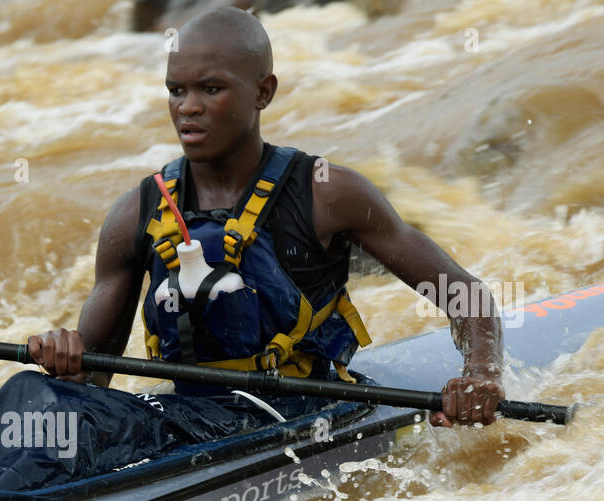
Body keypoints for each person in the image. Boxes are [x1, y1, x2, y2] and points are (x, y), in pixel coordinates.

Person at [28, 6, 504, 431]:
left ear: (263, 92)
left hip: (309, 416)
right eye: (176, 90)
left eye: (210, 89)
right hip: (188, 422)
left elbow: (468, 297)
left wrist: (480, 376)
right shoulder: (136, 212)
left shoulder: (327, 193)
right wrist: (69, 363)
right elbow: (94, 378)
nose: (187, 107)